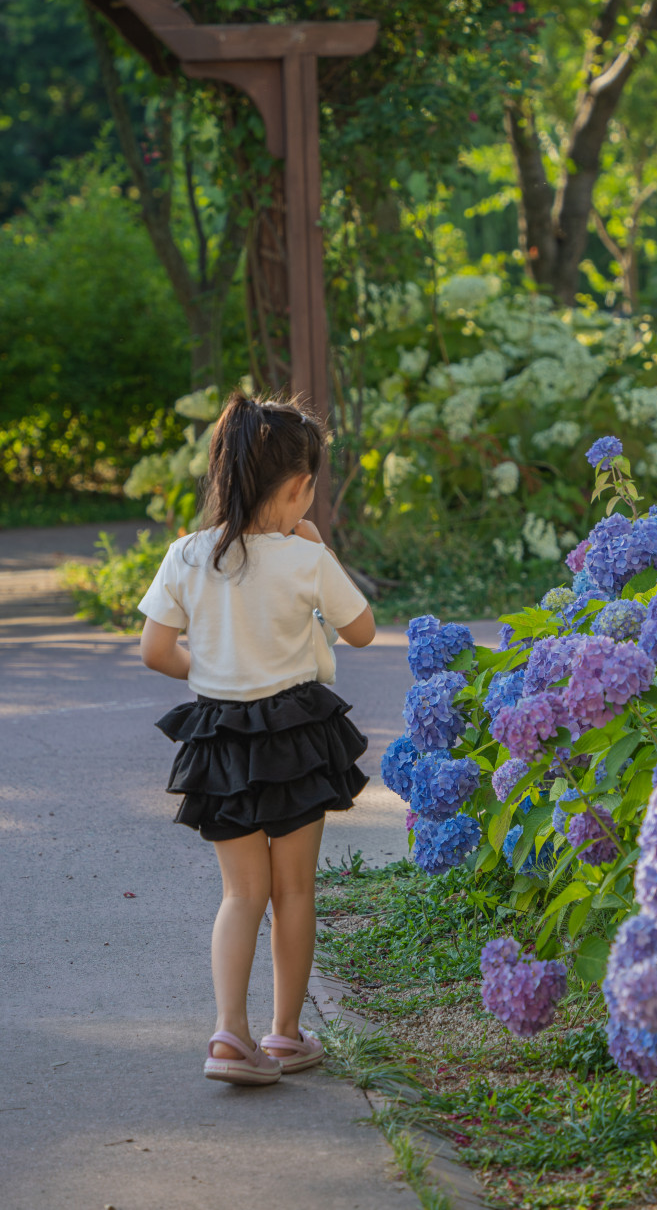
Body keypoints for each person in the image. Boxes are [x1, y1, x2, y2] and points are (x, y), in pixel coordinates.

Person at [138, 394, 375, 1086]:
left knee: (241, 894)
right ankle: (285, 1036)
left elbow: (155, 649)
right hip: (296, 738)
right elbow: (361, 631)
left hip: (218, 738)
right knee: (293, 890)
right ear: (300, 486)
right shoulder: (305, 558)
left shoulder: (187, 554)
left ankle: (228, 1036)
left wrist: (213, 674)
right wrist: (321, 551)